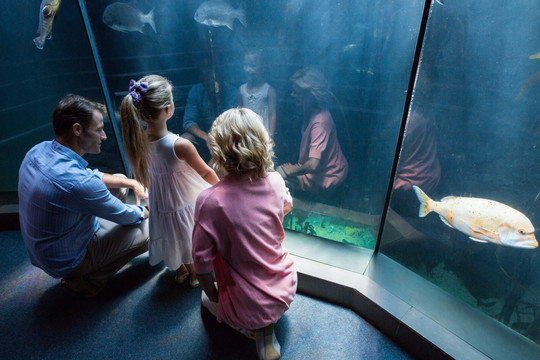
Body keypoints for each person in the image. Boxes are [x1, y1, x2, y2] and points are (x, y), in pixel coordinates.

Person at [18, 94, 149, 297]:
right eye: (98, 130)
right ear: (77, 129)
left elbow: (90, 176)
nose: (104, 136)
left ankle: (98, 249)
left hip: (45, 250)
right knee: (151, 229)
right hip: (66, 260)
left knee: (119, 181)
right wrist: (149, 210)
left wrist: (130, 181)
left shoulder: (38, 151)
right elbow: (128, 215)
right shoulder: (77, 183)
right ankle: (89, 279)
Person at [192, 108, 297, 360]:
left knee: (209, 302)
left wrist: (213, 295)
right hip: (285, 284)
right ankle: (265, 327)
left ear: (218, 150)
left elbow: (201, 264)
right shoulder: (275, 181)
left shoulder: (209, 201)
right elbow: (287, 206)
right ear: (262, 142)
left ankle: (256, 332)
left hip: (249, 302)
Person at [121, 75, 219, 287]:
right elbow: (205, 173)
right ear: (168, 109)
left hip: (159, 202)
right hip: (182, 201)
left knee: (168, 235)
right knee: (187, 236)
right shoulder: (180, 144)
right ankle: (195, 275)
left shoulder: (137, 141)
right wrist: (223, 189)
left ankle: (180, 270)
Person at [276, 68, 348, 193]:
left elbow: (312, 164)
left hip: (328, 175)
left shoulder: (320, 122)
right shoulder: (310, 111)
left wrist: (292, 170)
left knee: (278, 177)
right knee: (278, 178)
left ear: (310, 95)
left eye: (296, 92)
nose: (292, 95)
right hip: (318, 169)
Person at [182, 68, 237, 161]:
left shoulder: (232, 92)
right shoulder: (196, 91)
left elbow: (233, 122)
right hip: (202, 137)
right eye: (208, 79)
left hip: (225, 137)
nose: (212, 83)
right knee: (185, 139)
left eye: (215, 80)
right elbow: (188, 122)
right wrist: (206, 137)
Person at [237, 48, 277, 139]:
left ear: (262, 68)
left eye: (253, 66)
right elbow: (238, 114)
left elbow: (272, 114)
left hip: (263, 136)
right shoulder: (241, 90)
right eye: (245, 65)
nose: (248, 69)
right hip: (246, 136)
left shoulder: (269, 90)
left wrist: (271, 136)